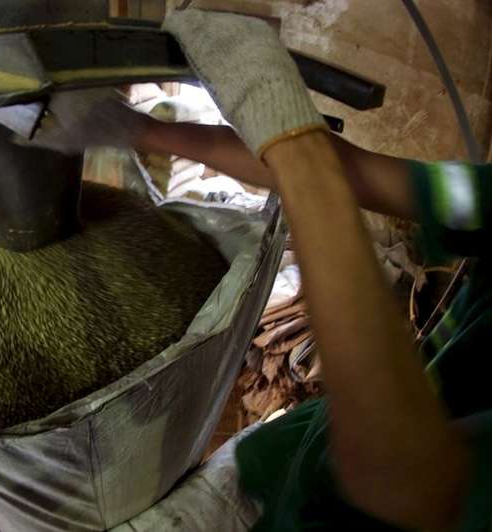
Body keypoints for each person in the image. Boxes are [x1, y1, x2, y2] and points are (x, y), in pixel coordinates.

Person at [43, 9, 492, 531]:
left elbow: (405, 478)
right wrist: (141, 131)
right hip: (299, 451)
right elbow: (358, 173)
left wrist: (294, 143)